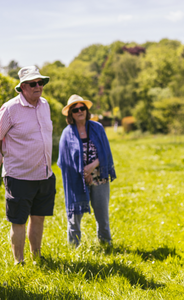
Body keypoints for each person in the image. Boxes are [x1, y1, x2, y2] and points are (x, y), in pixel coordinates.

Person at [0, 66, 56, 265]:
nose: (38, 86)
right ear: (23, 87)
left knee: (38, 217)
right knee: (18, 221)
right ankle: (19, 262)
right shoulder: (10, 108)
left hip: (44, 174)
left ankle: (37, 256)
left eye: (41, 83)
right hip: (19, 176)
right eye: (33, 83)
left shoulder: (45, 104)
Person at [58, 95, 116, 247]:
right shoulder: (66, 134)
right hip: (76, 180)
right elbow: (64, 161)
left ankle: (106, 244)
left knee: (102, 213)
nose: (79, 111)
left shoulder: (98, 128)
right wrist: (83, 174)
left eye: (82, 108)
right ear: (71, 114)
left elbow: (106, 153)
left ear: (86, 110)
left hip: (99, 176)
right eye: (75, 109)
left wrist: (91, 168)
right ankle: (73, 247)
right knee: (74, 215)